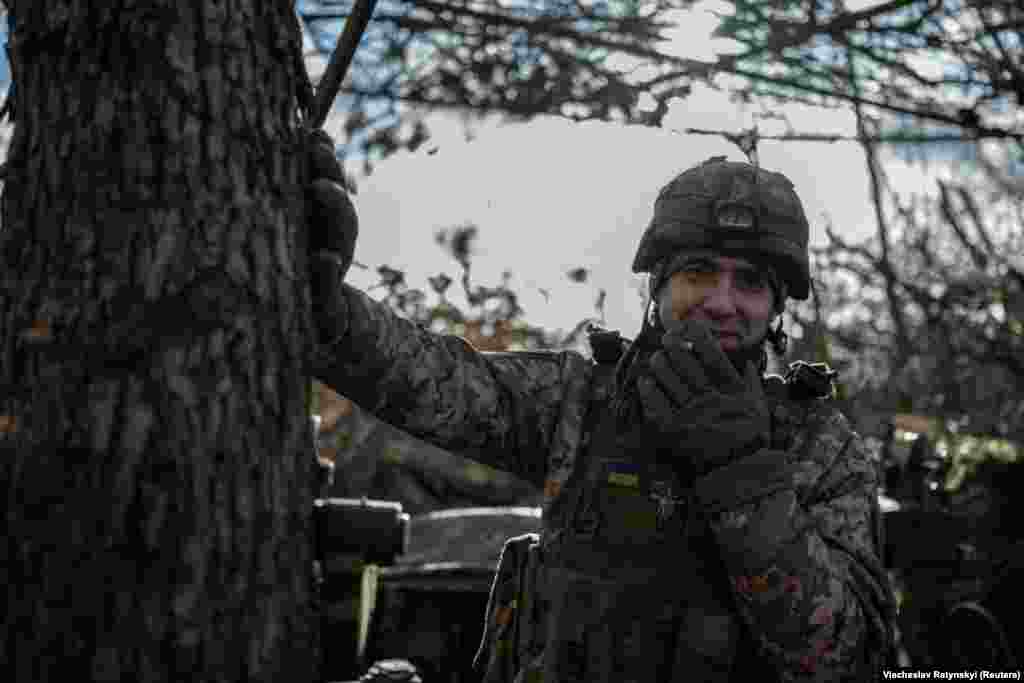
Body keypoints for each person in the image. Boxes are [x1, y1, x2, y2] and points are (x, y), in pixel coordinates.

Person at [305, 130, 895, 682]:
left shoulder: (822, 449)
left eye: (749, 281)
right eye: (697, 272)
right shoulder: (579, 404)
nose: (722, 301)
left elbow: (847, 658)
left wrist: (741, 473)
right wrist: (330, 308)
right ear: (657, 286)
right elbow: (436, 380)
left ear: (776, 307)